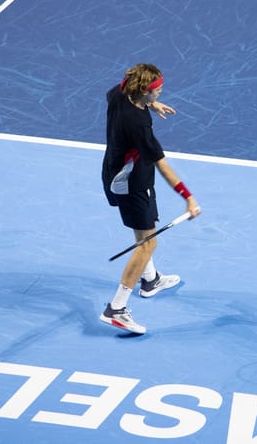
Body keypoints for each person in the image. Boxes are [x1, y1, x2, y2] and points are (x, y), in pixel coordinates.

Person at [100, 63, 201, 334]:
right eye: (157, 91)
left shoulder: (119, 93)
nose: (161, 93)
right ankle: (116, 309)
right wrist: (188, 198)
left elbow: (127, 97)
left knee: (143, 232)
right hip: (132, 184)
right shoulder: (140, 126)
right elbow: (164, 167)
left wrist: (151, 105)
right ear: (144, 90)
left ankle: (150, 280)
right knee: (147, 244)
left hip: (113, 170)